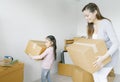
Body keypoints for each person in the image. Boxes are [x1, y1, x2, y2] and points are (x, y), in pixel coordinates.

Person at [82, 3, 119, 82]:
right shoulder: (90, 26)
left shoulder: (105, 23)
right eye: (84, 16)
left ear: (95, 12)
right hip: (98, 56)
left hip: (108, 56)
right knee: (95, 75)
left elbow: (116, 44)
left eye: (87, 15)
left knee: (101, 77)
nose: (86, 18)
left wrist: (103, 58)